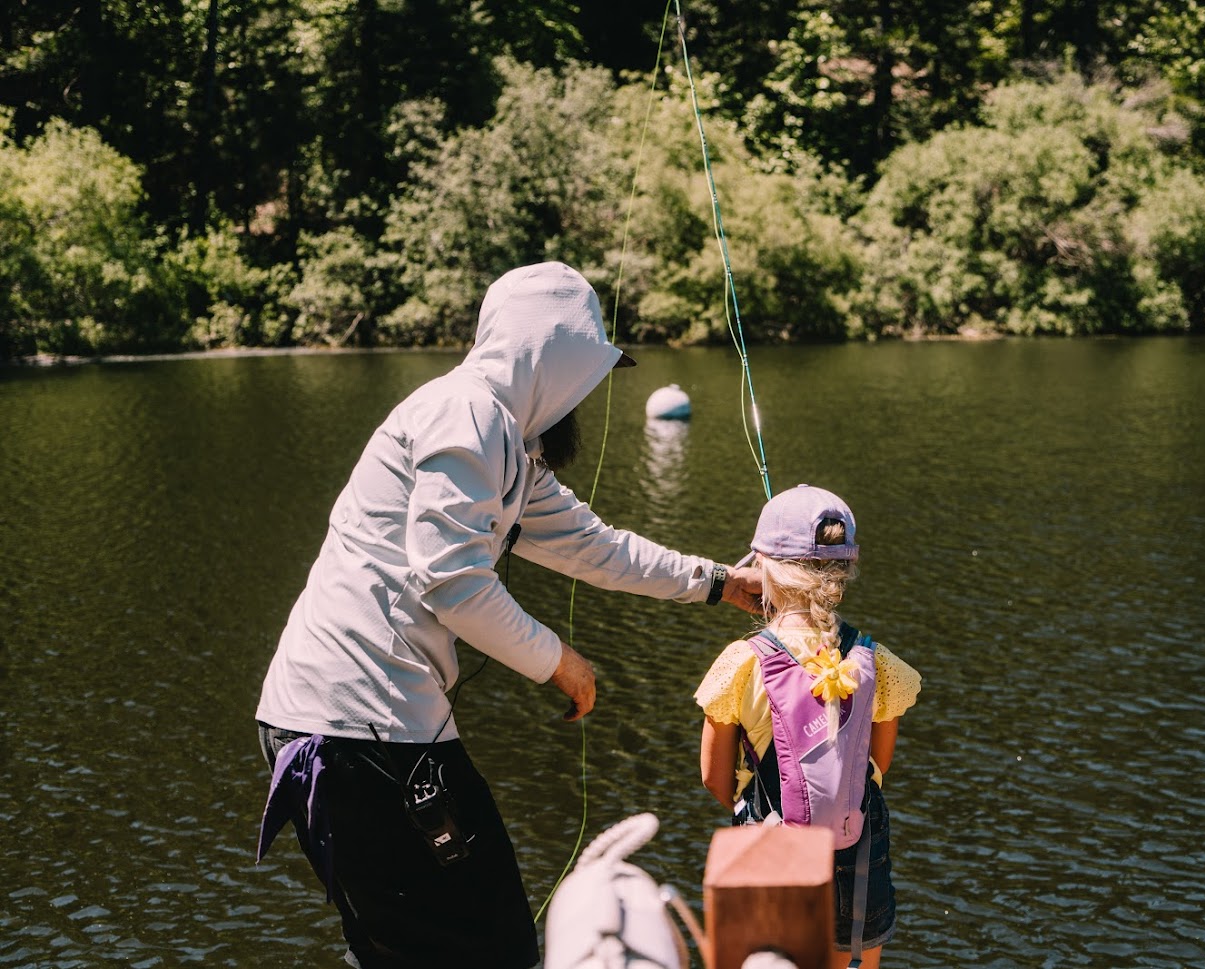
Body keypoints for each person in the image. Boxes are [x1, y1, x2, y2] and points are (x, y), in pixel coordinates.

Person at [254, 261, 760, 969]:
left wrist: (718, 582)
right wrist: (561, 661)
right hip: (352, 731)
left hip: (370, 729)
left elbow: (596, 547)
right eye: (587, 371)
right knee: (484, 944)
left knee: (450, 945)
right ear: (550, 359)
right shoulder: (466, 413)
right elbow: (453, 580)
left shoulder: (509, 448)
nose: (586, 395)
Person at [694, 485, 920, 969]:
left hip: (773, 840)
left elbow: (714, 779)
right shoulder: (875, 661)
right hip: (856, 840)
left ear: (762, 569)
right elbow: (878, 765)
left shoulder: (742, 663)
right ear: (844, 571)